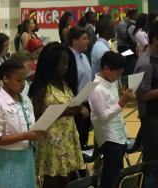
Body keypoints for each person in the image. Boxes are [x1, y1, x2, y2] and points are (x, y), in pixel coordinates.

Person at [29, 42, 87, 188]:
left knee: (66, 180)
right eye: (62, 63)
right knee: (52, 181)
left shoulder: (64, 83)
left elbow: (69, 104)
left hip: (67, 139)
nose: (66, 67)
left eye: (67, 63)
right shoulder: (42, 87)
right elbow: (35, 117)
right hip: (50, 143)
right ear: (51, 63)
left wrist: (79, 108)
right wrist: (64, 111)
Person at [0, 60, 47, 188]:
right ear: (6, 79)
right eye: (19, 80)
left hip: (27, 156)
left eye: (24, 80)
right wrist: (25, 136)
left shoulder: (25, 100)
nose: (23, 84)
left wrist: (39, 133)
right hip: (8, 160)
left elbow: (30, 126)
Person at [89, 51, 134, 188]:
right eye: (117, 72)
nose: (119, 76)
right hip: (109, 138)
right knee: (110, 178)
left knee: (117, 175)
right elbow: (103, 117)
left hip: (118, 134)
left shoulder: (110, 82)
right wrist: (122, 102)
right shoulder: (96, 88)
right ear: (107, 69)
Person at [134, 21, 158, 182]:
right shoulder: (145, 63)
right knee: (152, 162)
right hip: (151, 118)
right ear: (155, 39)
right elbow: (142, 95)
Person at [68, 27, 92, 148]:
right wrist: (80, 106)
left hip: (87, 103)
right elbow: (69, 87)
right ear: (74, 41)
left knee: (84, 140)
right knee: (76, 142)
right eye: (84, 38)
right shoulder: (69, 59)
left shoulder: (84, 56)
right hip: (76, 106)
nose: (88, 41)